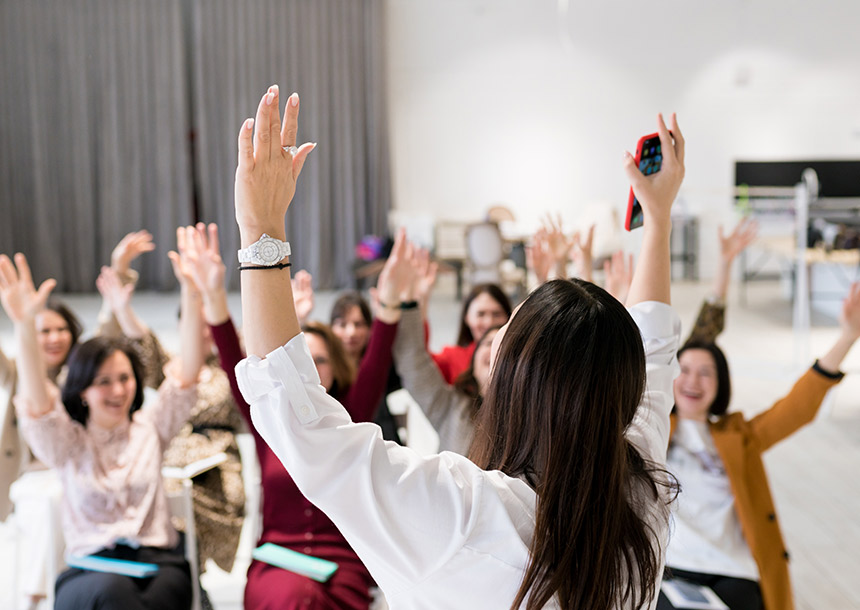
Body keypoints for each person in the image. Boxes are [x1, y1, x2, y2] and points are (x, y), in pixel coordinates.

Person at [232, 85, 684, 609]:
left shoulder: (464, 516)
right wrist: (659, 217)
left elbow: (300, 425)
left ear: (516, 384)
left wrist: (260, 229)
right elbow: (654, 343)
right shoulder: (641, 493)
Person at [177, 220, 399, 609]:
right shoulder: (268, 424)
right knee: (296, 599)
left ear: (336, 371)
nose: (310, 370)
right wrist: (212, 292)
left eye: (321, 361)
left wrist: (394, 304)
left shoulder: (351, 417)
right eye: (304, 362)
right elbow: (233, 356)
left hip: (341, 564)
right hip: (277, 562)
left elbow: (378, 358)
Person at [658, 224, 860, 610]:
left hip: (733, 570)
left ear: (721, 386)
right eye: (684, 369)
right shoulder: (653, 429)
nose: (693, 381)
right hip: (670, 566)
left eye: (707, 373)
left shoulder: (739, 437)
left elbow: (797, 407)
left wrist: (848, 336)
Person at [0, 247, 204, 610]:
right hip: (89, 570)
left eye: (125, 378)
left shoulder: (151, 426)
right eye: (104, 381)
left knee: (153, 594)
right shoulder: (67, 441)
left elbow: (186, 377)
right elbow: (36, 403)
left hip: (158, 564)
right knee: (112, 593)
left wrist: (192, 291)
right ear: (82, 391)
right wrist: (23, 326)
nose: (118, 390)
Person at [97, 230, 247, 576]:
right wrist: (122, 303)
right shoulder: (175, 367)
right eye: (197, 326)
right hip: (169, 461)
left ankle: (186, 579)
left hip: (218, 468)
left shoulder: (235, 366)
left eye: (211, 326)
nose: (205, 333)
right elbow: (143, 344)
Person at [431, 282, 511, 384]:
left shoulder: (520, 358)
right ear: (467, 317)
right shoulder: (452, 357)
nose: (489, 323)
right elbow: (418, 365)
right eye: (480, 314)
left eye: (497, 314)